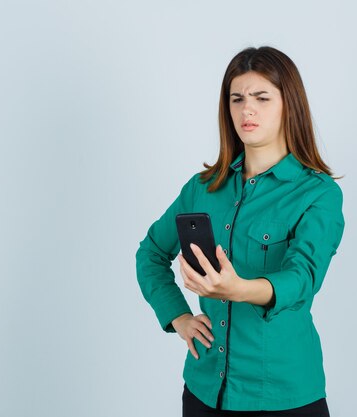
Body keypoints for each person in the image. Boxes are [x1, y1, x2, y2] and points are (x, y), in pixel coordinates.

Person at [135, 45, 345, 417]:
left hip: (283, 396)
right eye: (237, 98)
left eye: (262, 98)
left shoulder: (318, 194)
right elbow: (151, 253)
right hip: (205, 391)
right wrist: (178, 317)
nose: (247, 109)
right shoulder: (202, 187)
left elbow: (303, 278)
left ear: (288, 105)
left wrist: (240, 290)